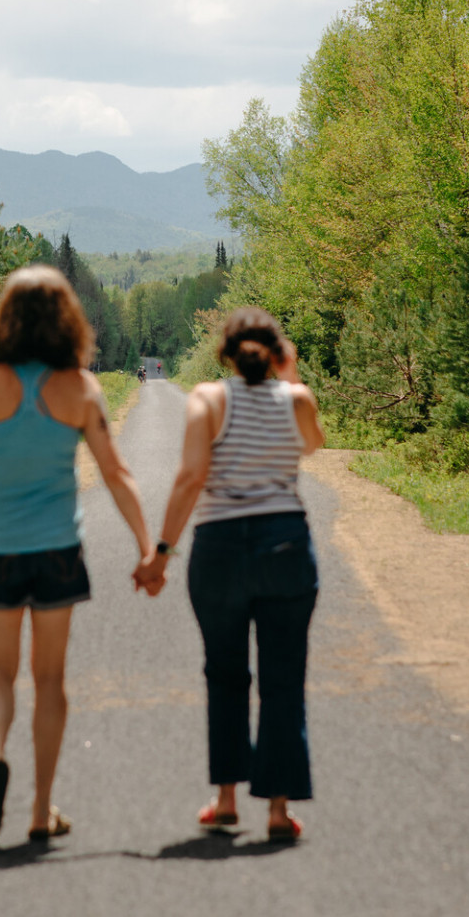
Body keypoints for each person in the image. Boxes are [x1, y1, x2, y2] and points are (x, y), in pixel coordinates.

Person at [0, 265, 156, 842]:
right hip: (57, 549)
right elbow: (116, 473)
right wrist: (146, 547)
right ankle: (41, 812)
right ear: (67, 320)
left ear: (4, 318)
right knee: (51, 678)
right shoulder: (80, 388)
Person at [135, 307, 325, 841]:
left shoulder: (208, 399)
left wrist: (160, 553)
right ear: (278, 352)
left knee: (225, 673)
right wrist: (290, 378)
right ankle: (278, 811)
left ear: (225, 353)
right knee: (283, 679)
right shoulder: (299, 400)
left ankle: (224, 801)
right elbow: (313, 444)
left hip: (219, 548)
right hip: (285, 544)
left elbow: (192, 475)